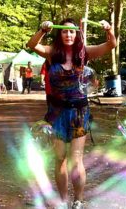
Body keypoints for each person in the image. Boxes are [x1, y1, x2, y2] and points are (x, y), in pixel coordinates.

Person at [26, 18, 116, 209]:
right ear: (60, 34)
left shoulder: (84, 53)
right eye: (65, 32)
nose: (68, 35)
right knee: (59, 158)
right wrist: (43, 30)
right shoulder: (52, 53)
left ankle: (78, 200)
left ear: (77, 34)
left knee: (76, 160)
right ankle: (62, 200)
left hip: (79, 112)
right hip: (56, 111)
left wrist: (108, 29)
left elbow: (111, 45)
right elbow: (32, 45)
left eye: (72, 32)